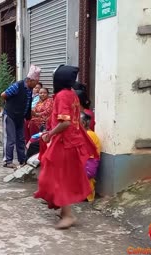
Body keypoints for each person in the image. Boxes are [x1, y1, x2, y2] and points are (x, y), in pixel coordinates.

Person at [33, 65, 98, 229]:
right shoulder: (72, 94)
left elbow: (66, 122)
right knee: (62, 176)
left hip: (64, 142)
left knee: (58, 177)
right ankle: (64, 211)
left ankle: (68, 215)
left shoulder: (62, 95)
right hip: (71, 142)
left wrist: (50, 134)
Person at [1, 65, 40, 169]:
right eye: (36, 81)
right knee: (10, 139)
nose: (37, 84)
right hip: (10, 115)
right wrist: (11, 105)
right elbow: (3, 95)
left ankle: (22, 159)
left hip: (20, 116)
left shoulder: (30, 89)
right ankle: (7, 161)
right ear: (30, 80)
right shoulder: (17, 86)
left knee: (21, 139)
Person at [81, 112, 101, 202]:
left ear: (83, 123)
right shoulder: (86, 134)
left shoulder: (89, 134)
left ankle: (86, 195)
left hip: (89, 161)